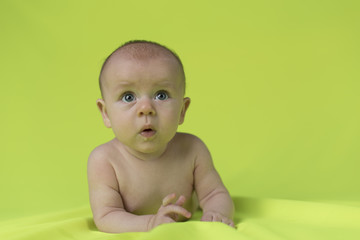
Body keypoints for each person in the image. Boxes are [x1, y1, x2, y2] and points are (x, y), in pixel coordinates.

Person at [87, 40, 234, 233]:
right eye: (128, 97)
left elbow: (215, 193)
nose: (146, 109)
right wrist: (150, 224)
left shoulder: (193, 149)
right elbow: (107, 216)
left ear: (182, 110)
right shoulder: (105, 161)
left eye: (161, 95)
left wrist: (216, 213)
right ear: (105, 113)